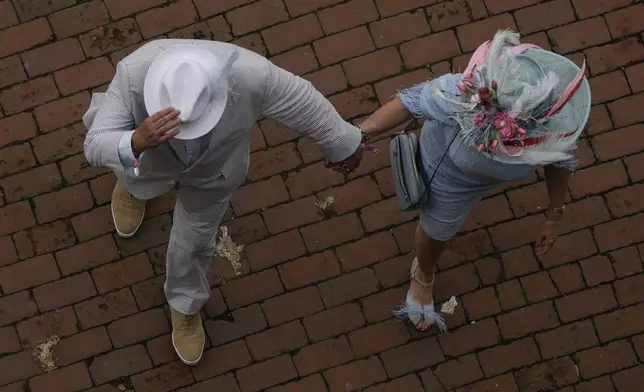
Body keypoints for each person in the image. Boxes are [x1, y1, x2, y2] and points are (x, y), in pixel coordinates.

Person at [83, 39, 364, 365]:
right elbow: (95, 143)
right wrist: (134, 140)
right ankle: (131, 190)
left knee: (195, 241)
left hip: (213, 173)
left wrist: (344, 145)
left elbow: (304, 102)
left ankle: (184, 304)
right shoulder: (134, 71)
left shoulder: (250, 74)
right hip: (149, 158)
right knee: (135, 173)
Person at [356, 30, 590, 331]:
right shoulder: (460, 98)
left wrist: (555, 213)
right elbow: (409, 103)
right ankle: (423, 273)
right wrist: (357, 137)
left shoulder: (554, 121)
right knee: (436, 232)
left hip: (485, 179)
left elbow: (560, 158)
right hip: (448, 176)